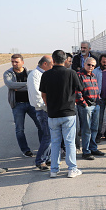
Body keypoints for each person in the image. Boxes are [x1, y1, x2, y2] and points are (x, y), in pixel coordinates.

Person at [39, 50, 84, 178]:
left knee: (55, 142)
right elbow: (80, 88)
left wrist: (49, 106)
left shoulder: (46, 75)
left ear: (53, 60)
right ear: (65, 60)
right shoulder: (71, 73)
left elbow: (43, 94)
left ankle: (54, 169)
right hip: (68, 112)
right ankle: (72, 169)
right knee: (69, 142)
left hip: (53, 114)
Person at [3, 53, 44, 157]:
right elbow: (10, 84)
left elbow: (36, 86)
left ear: (22, 62)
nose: (14, 64)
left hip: (31, 104)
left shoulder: (29, 73)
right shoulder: (7, 73)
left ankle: (43, 147)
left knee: (41, 125)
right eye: (12, 61)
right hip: (17, 105)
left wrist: (18, 87)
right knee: (19, 129)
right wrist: (27, 84)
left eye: (16, 62)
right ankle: (26, 150)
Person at [75, 57, 105, 160]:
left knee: (94, 128)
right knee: (86, 129)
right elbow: (77, 92)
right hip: (86, 107)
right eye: (89, 65)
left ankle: (93, 148)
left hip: (96, 105)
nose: (91, 67)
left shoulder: (93, 75)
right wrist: (84, 104)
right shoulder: (79, 75)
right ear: (84, 64)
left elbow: (96, 90)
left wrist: (98, 101)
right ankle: (86, 151)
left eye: (93, 65)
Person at [27, 55, 53, 170]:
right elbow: (38, 97)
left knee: (50, 136)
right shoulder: (35, 75)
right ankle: (40, 160)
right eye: (52, 64)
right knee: (47, 136)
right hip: (42, 110)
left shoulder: (44, 74)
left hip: (47, 109)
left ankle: (46, 158)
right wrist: (47, 107)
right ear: (45, 64)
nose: (53, 67)